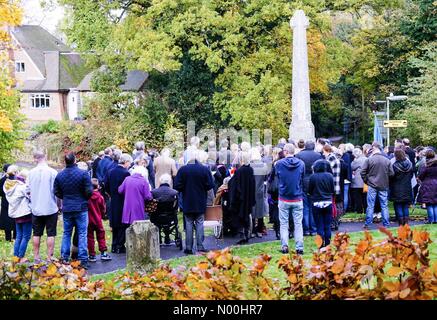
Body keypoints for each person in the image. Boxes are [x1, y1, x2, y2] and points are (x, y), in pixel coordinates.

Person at [54, 152, 93, 269]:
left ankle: (64, 257)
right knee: (82, 233)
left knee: (66, 233)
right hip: (81, 207)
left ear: (65, 161)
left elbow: (56, 191)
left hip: (67, 207)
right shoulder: (83, 174)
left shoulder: (60, 175)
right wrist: (83, 198)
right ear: (75, 160)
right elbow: (89, 191)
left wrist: (66, 197)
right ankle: (83, 260)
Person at [174, 150, 215, 254]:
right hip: (200, 200)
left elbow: (177, 186)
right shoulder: (204, 169)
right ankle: (200, 246)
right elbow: (210, 185)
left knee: (188, 223)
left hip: (187, 201)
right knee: (200, 223)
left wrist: (184, 188)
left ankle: (188, 247)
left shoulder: (183, 170)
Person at [27, 150, 59, 262]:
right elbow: (56, 191)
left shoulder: (30, 173)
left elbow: (27, 190)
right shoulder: (53, 172)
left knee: (36, 233)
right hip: (50, 206)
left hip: (36, 207)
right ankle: (49, 257)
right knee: (51, 233)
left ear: (35, 158)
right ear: (45, 157)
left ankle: (36, 256)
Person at [275, 143, 305, 254]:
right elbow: (302, 178)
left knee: (283, 223)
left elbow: (277, 177)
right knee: (298, 224)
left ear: (286, 152)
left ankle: (284, 246)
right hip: (297, 197)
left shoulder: (279, 164)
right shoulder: (301, 164)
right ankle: (299, 247)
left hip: (284, 197)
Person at [361, 145, 394, 229]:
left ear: (373, 151)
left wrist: (366, 181)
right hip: (383, 185)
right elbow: (391, 173)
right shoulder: (387, 160)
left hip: (372, 185)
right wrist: (386, 180)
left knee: (370, 205)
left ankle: (368, 224)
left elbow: (362, 172)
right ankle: (386, 224)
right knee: (384, 205)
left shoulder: (369, 160)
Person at [3, 167, 32, 262]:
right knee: (26, 236)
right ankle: (20, 256)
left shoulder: (8, 186)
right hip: (25, 214)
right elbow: (30, 196)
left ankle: (15, 256)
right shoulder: (22, 187)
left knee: (19, 235)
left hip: (16, 214)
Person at [295, 140, 323, 236]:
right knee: (313, 206)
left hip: (303, 181)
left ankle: (306, 229)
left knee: (305, 206)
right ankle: (313, 228)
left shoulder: (299, 155)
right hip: (315, 181)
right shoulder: (318, 155)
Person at [228, 151, 256, 245]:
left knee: (240, 215)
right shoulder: (250, 170)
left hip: (240, 197)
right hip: (248, 196)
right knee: (247, 214)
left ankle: (242, 233)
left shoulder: (239, 171)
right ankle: (247, 232)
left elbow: (234, 184)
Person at [107, 153, 132, 253]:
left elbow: (106, 184)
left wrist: (111, 194)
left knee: (114, 223)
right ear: (125, 162)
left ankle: (114, 245)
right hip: (122, 200)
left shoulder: (110, 171)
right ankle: (120, 245)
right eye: (129, 163)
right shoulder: (126, 173)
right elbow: (127, 188)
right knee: (122, 223)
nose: (130, 165)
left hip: (113, 200)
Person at [308, 159, 335, 248]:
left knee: (319, 226)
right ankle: (328, 244)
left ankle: (320, 245)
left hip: (316, 203)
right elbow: (332, 189)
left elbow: (309, 191)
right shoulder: (330, 176)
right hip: (328, 202)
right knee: (327, 225)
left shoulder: (313, 177)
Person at [87, 178, 112, 262]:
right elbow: (103, 209)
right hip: (98, 220)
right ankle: (103, 253)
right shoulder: (100, 197)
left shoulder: (87, 197)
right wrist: (102, 214)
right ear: (98, 186)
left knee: (90, 237)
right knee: (101, 236)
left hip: (89, 220)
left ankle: (92, 255)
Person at [151, 174, 179, 244]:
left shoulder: (154, 192)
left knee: (157, 221)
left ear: (160, 181)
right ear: (169, 182)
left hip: (157, 216)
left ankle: (159, 238)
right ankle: (167, 237)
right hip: (170, 216)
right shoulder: (174, 192)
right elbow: (176, 206)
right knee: (169, 221)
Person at [389, 148, 414, 225]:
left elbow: (391, 176)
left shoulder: (395, 165)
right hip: (407, 187)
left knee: (398, 205)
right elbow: (411, 175)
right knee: (405, 206)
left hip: (397, 188)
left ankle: (401, 223)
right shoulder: (410, 164)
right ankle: (406, 223)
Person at [249, 148, 269, 237]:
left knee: (253, 211)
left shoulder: (249, 166)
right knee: (260, 211)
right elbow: (265, 178)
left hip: (252, 190)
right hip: (260, 190)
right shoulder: (264, 166)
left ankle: (253, 230)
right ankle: (260, 230)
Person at [417, 149, 437, 224]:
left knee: (429, 203)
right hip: (436, 184)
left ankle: (431, 220)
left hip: (428, 185)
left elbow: (420, 176)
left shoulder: (426, 166)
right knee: (435, 203)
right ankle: (435, 220)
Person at [0, 164, 15, 242]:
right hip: (15, 202)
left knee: (6, 220)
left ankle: (8, 238)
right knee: (16, 219)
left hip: (5, 202)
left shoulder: (3, 180)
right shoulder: (17, 179)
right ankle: (16, 237)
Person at [350, 148, 367, 213]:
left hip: (357, 182)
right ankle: (365, 210)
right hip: (364, 182)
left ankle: (359, 210)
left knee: (358, 197)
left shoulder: (356, 161)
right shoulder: (366, 159)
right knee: (365, 197)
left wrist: (353, 161)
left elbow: (352, 167)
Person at [342, 143, 355, 213]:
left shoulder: (345, 156)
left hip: (345, 177)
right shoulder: (351, 156)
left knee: (345, 194)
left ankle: (344, 209)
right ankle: (347, 207)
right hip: (348, 177)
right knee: (347, 193)